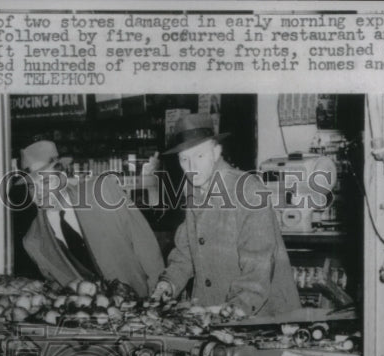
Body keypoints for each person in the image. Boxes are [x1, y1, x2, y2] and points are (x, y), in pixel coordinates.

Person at [151, 114, 302, 317]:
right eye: (184, 159)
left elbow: (258, 266)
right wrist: (167, 284)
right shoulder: (194, 190)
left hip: (262, 318)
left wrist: (231, 311)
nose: (192, 167)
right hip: (211, 314)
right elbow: (186, 252)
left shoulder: (248, 191)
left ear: (216, 152)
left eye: (199, 156)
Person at [19, 140, 164, 298]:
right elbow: (57, 284)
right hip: (90, 317)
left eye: (45, 181)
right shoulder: (33, 242)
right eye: (32, 186)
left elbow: (145, 244)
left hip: (141, 301)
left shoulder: (102, 192)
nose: (39, 192)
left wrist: (157, 293)